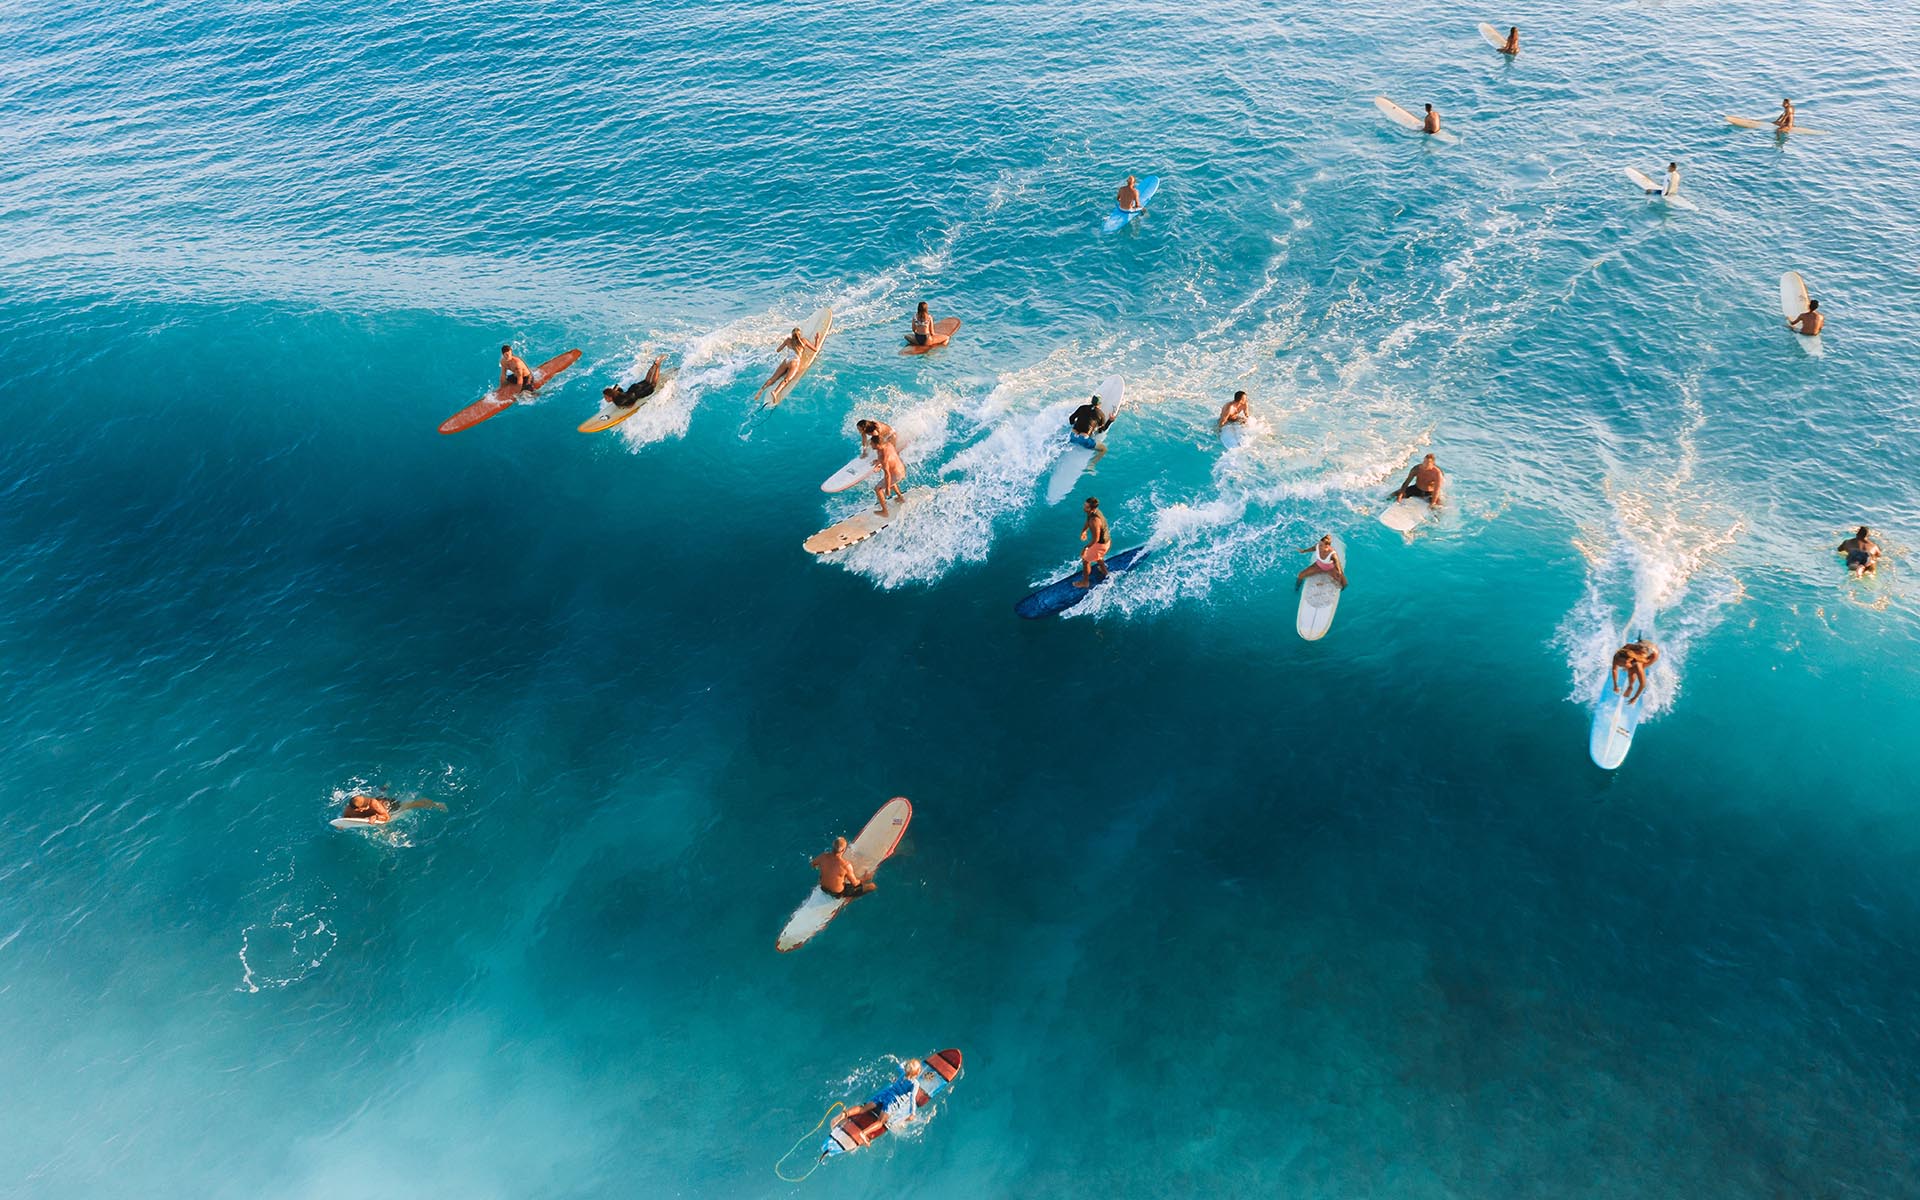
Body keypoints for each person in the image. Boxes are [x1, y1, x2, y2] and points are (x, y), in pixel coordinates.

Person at [837, 1059, 926, 1142]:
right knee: (880, 1122)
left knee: (863, 1108)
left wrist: (901, 1063)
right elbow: (912, 1098)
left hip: (885, 1094)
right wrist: (912, 1113)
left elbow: (899, 1067)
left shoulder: (902, 1073)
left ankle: (844, 1114)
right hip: (892, 1102)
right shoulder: (915, 1084)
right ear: (917, 1073)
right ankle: (863, 1133)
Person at [751, 325, 822, 404]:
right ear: (799, 334)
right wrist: (817, 339)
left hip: (786, 361)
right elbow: (815, 349)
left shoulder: (788, 340)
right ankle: (775, 392)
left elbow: (778, 350)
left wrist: (784, 344)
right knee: (786, 380)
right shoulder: (803, 341)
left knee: (773, 378)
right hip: (794, 362)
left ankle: (761, 390)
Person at [811, 837, 877, 900]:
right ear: (843, 850)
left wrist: (827, 870)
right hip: (837, 893)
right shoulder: (845, 865)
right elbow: (855, 883)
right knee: (872, 886)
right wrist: (865, 878)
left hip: (823, 888)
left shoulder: (823, 856)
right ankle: (850, 896)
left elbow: (813, 864)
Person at [1075, 496, 1111, 589]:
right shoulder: (1093, 512)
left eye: (1086, 507)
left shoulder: (1094, 520)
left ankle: (1085, 582)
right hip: (1105, 542)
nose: (1084, 507)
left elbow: (1095, 539)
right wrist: (1084, 531)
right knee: (1098, 556)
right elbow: (1088, 520)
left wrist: (1085, 548)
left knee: (1086, 560)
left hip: (1101, 544)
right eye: (1084, 505)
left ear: (1092, 508)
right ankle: (1105, 572)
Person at [340, 793, 448, 824]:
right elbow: (345, 817)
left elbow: (386, 818)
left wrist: (376, 816)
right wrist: (342, 825)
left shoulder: (373, 804)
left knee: (408, 805)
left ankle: (436, 804)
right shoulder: (349, 808)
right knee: (380, 794)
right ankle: (384, 788)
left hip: (388, 806)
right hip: (379, 802)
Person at [874, 436, 908, 515]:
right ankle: (900, 498)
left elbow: (887, 475)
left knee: (878, 488)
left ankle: (884, 511)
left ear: (877, 445)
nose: (871, 446)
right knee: (891, 481)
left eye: (872, 444)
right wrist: (879, 462)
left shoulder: (883, 457)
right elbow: (889, 459)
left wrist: (887, 489)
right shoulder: (889, 445)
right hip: (901, 470)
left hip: (896, 475)